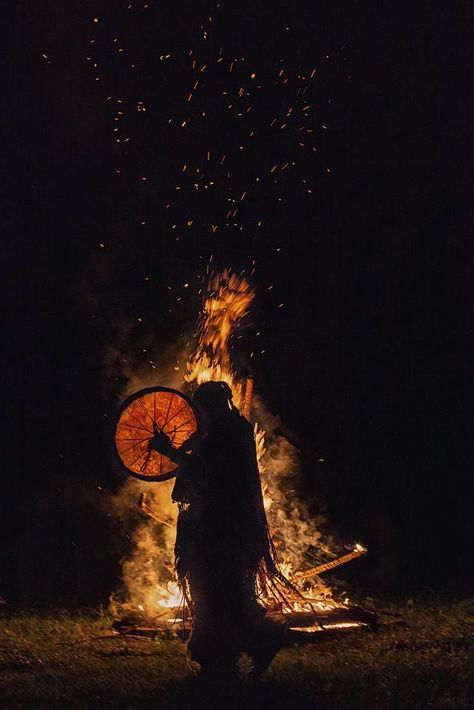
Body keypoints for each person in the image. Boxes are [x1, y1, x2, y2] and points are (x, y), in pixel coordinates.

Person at [148, 380, 290, 680]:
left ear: (211, 404)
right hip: (223, 524)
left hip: (222, 527)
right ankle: (221, 657)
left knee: (217, 592)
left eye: (203, 405)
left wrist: (170, 452)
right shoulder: (227, 429)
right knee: (218, 593)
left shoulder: (226, 432)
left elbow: (208, 473)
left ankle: (256, 640)